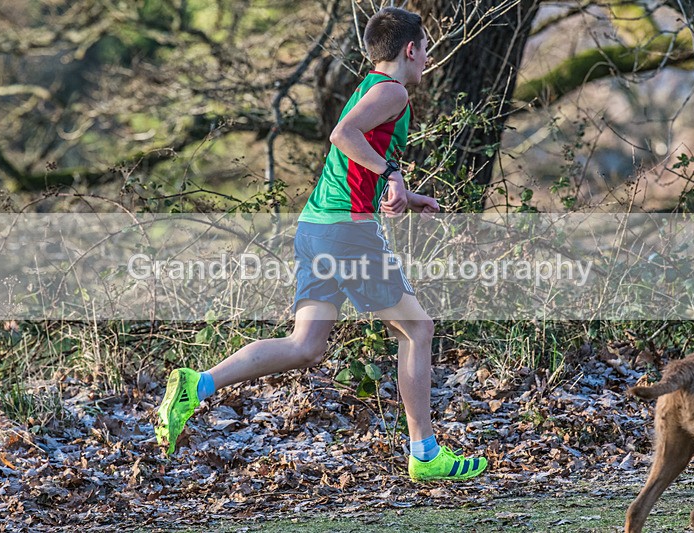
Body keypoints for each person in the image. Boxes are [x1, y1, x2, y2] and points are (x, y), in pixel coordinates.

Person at [155, 7, 488, 482]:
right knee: (418, 329)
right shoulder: (392, 91)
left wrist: (405, 196)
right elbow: (342, 135)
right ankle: (426, 454)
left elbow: (350, 157)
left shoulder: (370, 87)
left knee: (306, 345)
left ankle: (198, 384)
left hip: (316, 225)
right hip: (345, 231)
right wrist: (391, 173)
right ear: (410, 50)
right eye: (426, 48)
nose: (428, 57)